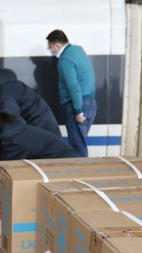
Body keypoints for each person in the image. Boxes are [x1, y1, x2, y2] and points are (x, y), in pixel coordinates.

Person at [0, 97, 78, 202]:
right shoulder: (9, 132)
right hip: (59, 163)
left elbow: (4, 176)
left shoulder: (11, 143)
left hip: (67, 167)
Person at [0, 63, 61, 137]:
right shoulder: (2, 86)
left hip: (42, 136)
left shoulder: (3, 92)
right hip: (42, 131)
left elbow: (12, 123)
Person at [46, 29, 96, 157]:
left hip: (77, 106)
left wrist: (78, 111)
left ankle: (80, 170)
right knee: (80, 143)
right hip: (90, 103)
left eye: (50, 46)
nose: (49, 49)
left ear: (57, 45)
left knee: (77, 147)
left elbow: (73, 86)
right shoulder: (78, 50)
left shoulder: (65, 60)